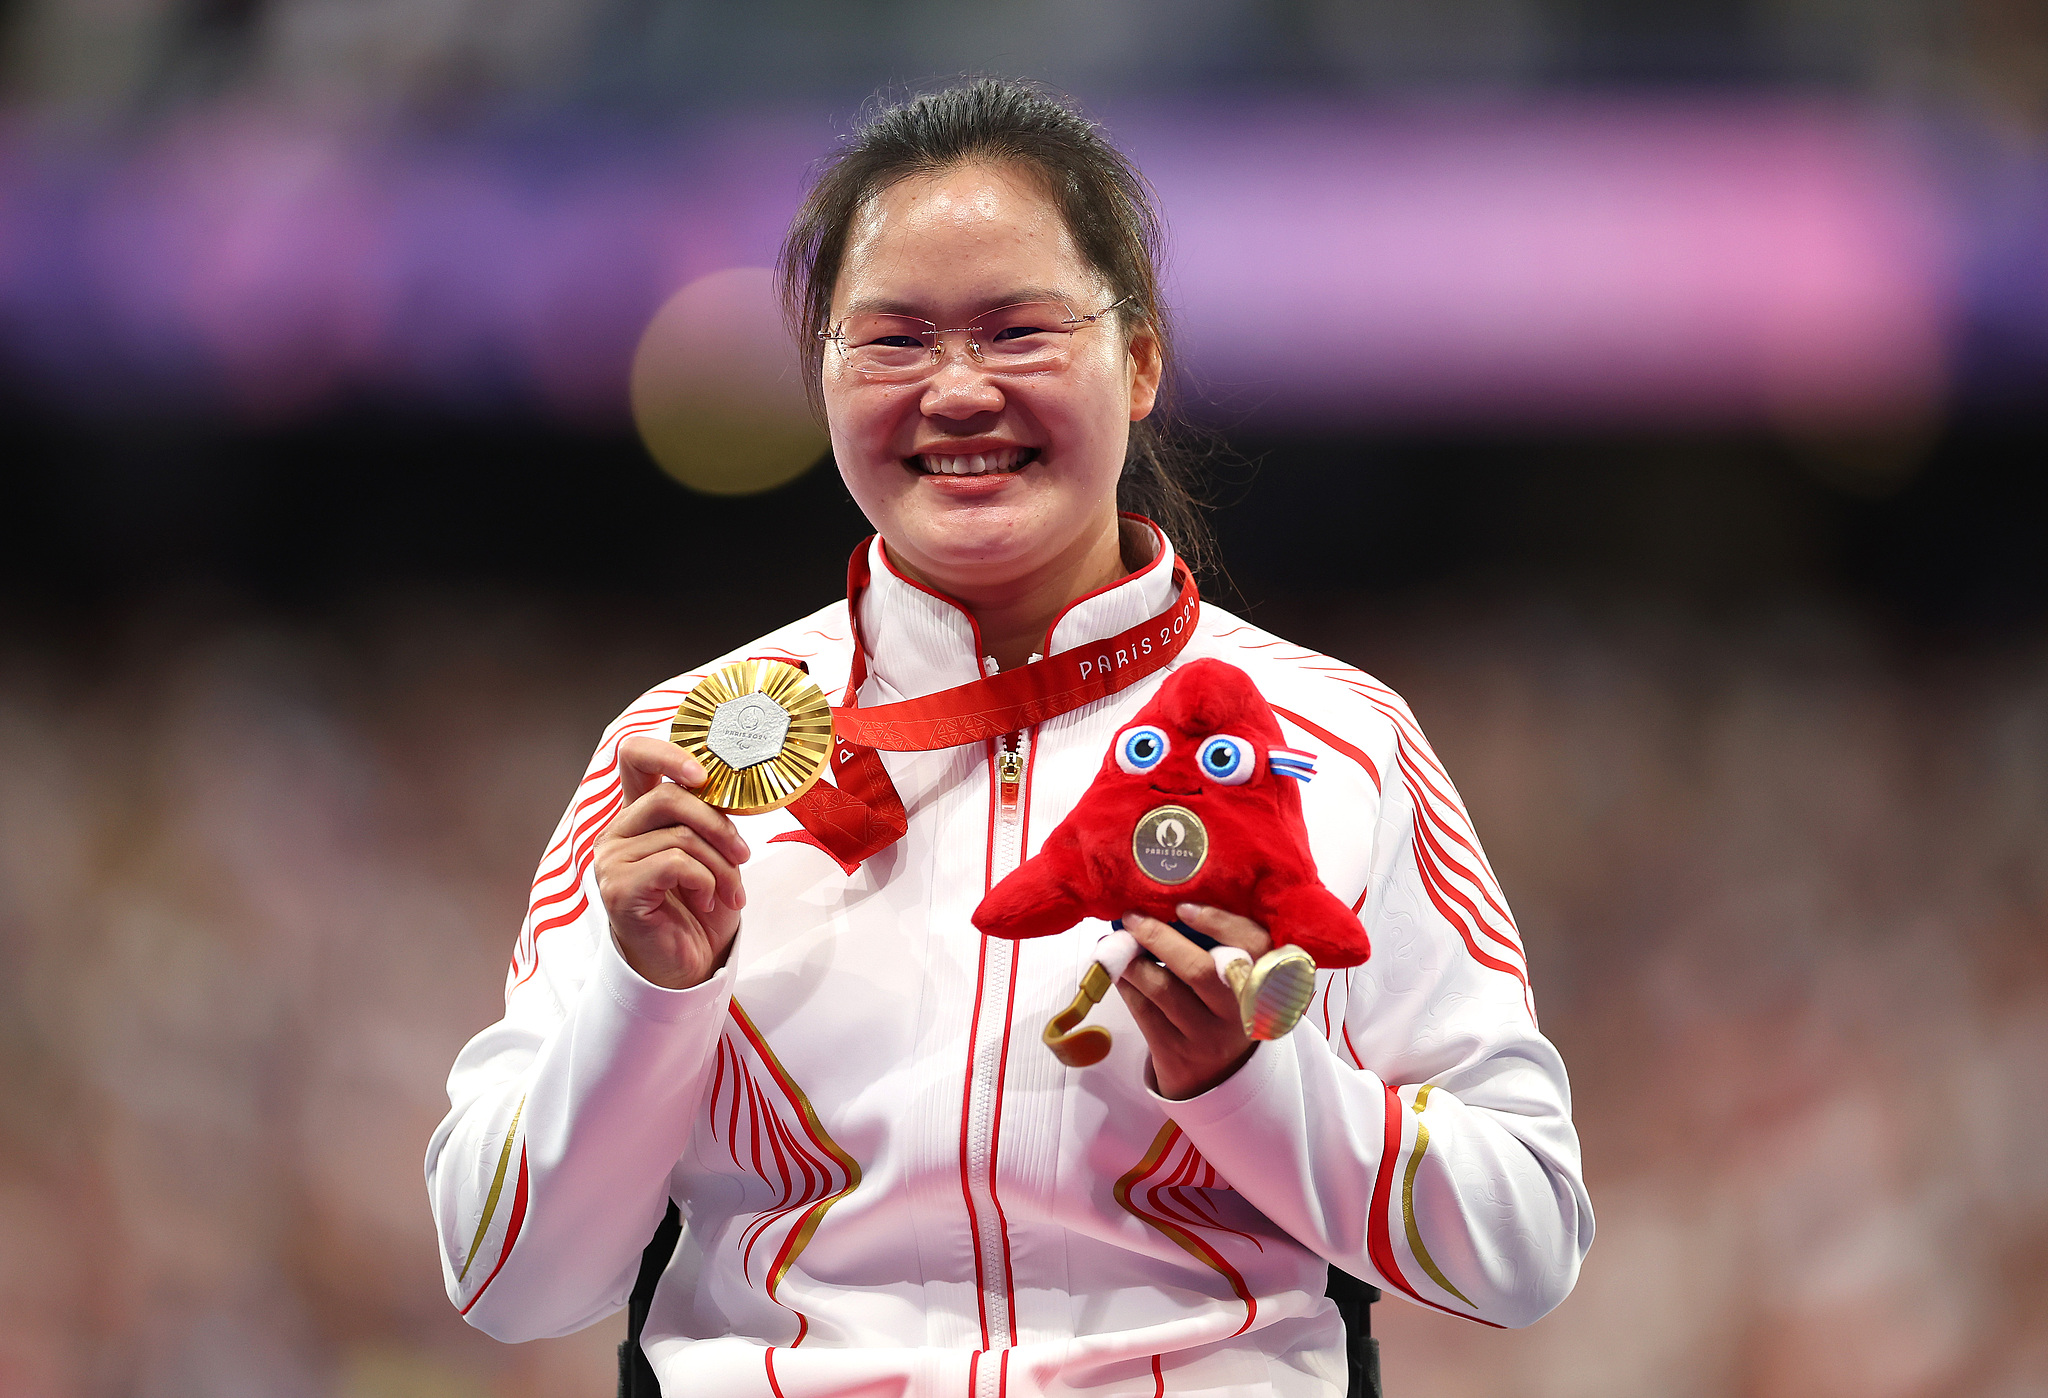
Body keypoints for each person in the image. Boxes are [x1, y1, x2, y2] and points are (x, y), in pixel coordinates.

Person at [426, 78, 1592, 1398]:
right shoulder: (686, 753)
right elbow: (507, 1279)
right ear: (824, 377)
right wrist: (648, 994)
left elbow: (1527, 1237)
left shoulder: (1337, 741)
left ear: (1140, 359)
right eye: (894, 339)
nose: (959, 390)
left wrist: (1254, 1081)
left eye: (1017, 329)